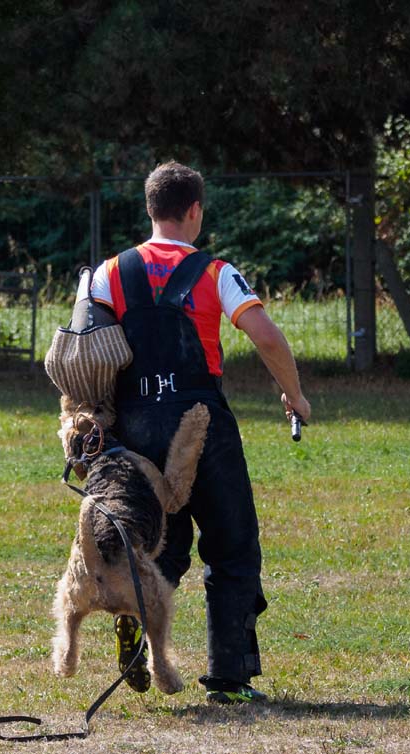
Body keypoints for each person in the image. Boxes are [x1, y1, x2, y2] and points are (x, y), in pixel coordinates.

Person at [83, 161, 311, 704]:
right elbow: (267, 337)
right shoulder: (215, 273)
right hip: (200, 424)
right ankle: (229, 679)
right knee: (232, 546)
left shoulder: (108, 272)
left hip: (135, 429)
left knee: (162, 541)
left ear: (149, 210)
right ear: (195, 212)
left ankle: (138, 617)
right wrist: (295, 395)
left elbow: (83, 350)